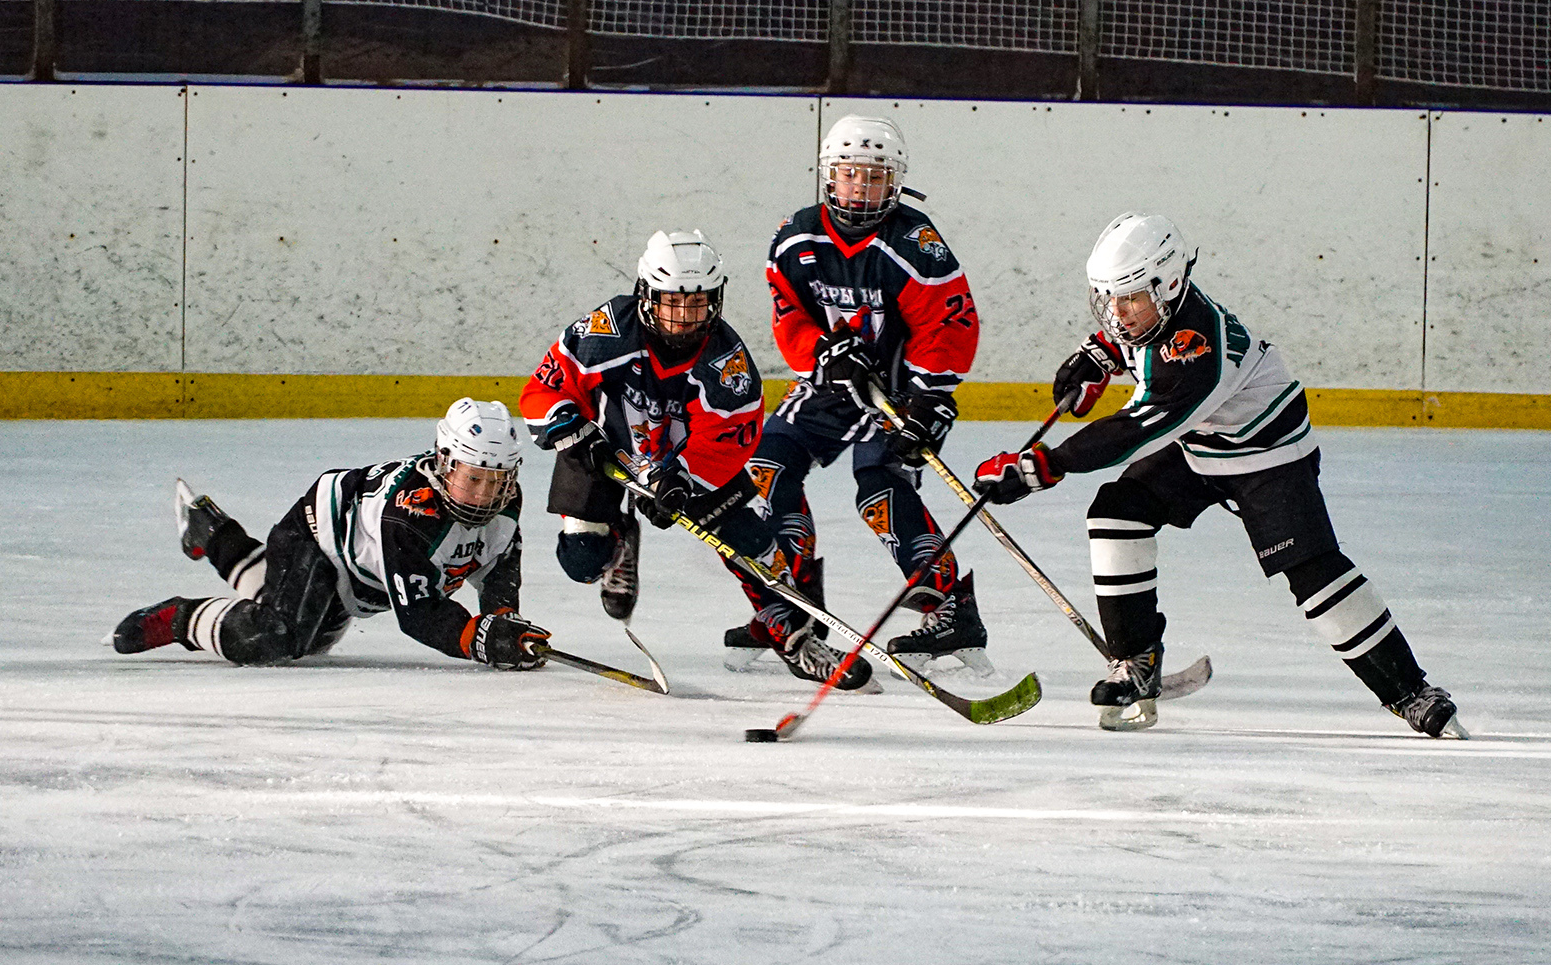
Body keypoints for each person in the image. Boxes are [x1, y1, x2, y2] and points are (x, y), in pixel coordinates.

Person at [974, 212, 1462, 737]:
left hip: (1268, 455)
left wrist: (1042, 466)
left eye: (1131, 297)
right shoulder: (1156, 313)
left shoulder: (1197, 348)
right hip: (1203, 444)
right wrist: (1101, 352)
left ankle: (1411, 691)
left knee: (1313, 573)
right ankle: (1136, 662)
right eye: (1111, 298)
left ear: (1169, 283)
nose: (1120, 311)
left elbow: (1139, 427)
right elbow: (1132, 340)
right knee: (1117, 513)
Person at [519, 229, 873, 690]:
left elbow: (729, 442)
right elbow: (544, 388)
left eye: (698, 303)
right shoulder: (605, 331)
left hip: (683, 468)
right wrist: (566, 425)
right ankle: (619, 538)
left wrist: (682, 480)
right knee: (582, 562)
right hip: (601, 450)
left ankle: (795, 635)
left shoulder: (728, 363)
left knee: (749, 540)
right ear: (647, 295)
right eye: (672, 302)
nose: (685, 316)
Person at [725, 114, 993, 678]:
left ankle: (951, 607)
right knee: (766, 466)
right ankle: (794, 599)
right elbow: (788, 318)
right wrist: (821, 351)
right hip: (831, 385)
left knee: (879, 485)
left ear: (894, 182)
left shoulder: (914, 241)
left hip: (904, 390)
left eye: (873, 177)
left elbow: (952, 326)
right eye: (849, 175)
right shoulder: (796, 235)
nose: (859, 187)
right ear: (829, 176)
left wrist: (926, 398)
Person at [113, 398, 552, 671]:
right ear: (443, 461)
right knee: (278, 636)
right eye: (472, 478)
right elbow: (418, 613)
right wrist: (481, 639)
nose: (484, 495)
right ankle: (180, 618)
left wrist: (503, 620)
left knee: (313, 632)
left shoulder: (507, 502)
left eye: (496, 480)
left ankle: (212, 533)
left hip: (357, 573)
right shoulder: (410, 513)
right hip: (317, 537)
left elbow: (497, 566)